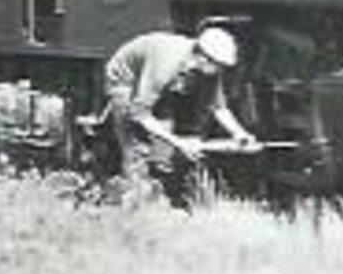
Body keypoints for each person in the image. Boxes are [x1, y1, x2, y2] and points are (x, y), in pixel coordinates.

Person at [100, 27, 255, 198]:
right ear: (201, 57)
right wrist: (180, 142)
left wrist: (240, 133)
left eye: (223, 67)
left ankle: (159, 188)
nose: (220, 71)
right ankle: (133, 195)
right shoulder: (166, 65)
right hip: (127, 78)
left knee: (163, 144)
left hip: (163, 83)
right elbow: (139, 114)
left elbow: (218, 107)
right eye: (218, 66)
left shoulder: (209, 69)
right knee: (135, 144)